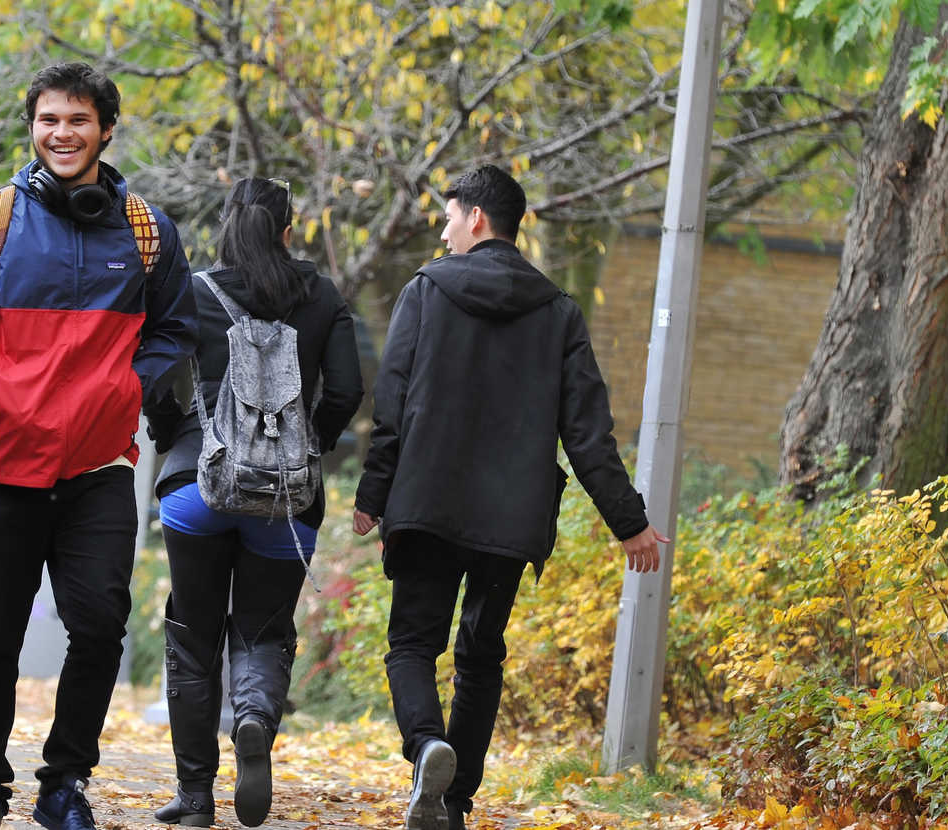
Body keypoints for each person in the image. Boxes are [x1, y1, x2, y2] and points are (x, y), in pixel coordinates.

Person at [0, 61, 195, 830]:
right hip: (3, 463)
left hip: (99, 466)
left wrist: (126, 394)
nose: (62, 133)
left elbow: (175, 329)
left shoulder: (146, 230)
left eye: (77, 120)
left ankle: (65, 783)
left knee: (100, 623)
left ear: (106, 129)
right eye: (48, 120)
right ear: (32, 128)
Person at [353, 165, 665, 830]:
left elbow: (393, 407)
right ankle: (456, 799)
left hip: (428, 504)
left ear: (477, 219)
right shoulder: (559, 312)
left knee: (411, 643)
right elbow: (588, 436)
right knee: (480, 653)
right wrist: (630, 523)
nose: (443, 229)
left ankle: (426, 748)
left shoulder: (426, 290)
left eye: (448, 216)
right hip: (511, 518)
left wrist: (372, 494)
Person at [143, 178, 363, 827]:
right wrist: (305, 447)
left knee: (193, 634)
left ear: (226, 226)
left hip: (197, 487)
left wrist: (173, 437)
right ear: (288, 231)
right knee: (263, 625)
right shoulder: (321, 296)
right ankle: (254, 720)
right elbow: (348, 389)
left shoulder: (194, 287)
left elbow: (156, 379)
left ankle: (194, 798)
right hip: (286, 501)